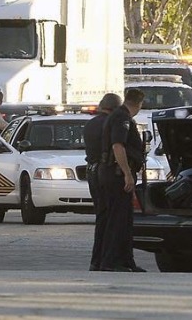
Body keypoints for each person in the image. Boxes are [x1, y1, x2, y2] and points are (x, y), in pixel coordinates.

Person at [99, 89, 146, 272]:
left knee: (124, 220)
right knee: (117, 220)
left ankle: (126, 261)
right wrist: (127, 173)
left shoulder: (120, 116)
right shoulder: (121, 118)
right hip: (116, 174)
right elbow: (118, 145)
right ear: (139, 104)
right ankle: (111, 261)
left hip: (114, 173)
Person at [83, 93, 122, 271]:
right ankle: (108, 259)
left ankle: (95, 260)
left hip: (92, 171)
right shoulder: (112, 123)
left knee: (101, 217)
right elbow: (117, 147)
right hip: (106, 172)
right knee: (112, 219)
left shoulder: (91, 123)